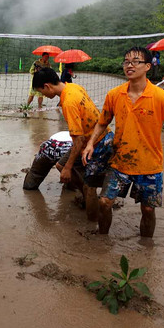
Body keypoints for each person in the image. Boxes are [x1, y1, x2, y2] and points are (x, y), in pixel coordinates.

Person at [82, 47, 164, 238]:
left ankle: (146, 248)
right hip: (119, 162)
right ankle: (102, 241)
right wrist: (90, 144)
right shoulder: (114, 95)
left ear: (147, 66)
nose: (129, 65)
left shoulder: (161, 97)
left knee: (148, 210)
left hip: (149, 164)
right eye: (126, 61)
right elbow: (102, 122)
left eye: (135, 61)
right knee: (104, 202)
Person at [31, 68, 114, 221]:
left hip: (98, 141)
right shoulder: (73, 86)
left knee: (89, 186)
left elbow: (79, 140)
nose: (43, 95)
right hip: (91, 137)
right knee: (61, 166)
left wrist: (69, 167)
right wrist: (66, 167)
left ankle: (92, 224)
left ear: (47, 86)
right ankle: (85, 194)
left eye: (42, 91)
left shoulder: (68, 101)